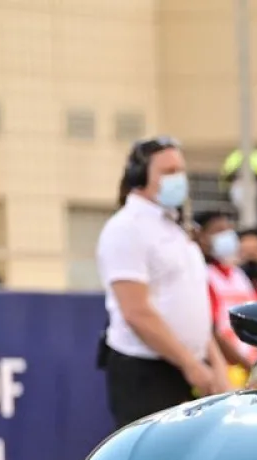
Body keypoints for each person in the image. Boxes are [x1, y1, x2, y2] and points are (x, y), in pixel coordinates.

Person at [96, 135, 228, 428]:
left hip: (188, 368)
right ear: (139, 177)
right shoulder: (126, 229)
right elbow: (136, 312)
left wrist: (215, 363)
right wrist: (190, 364)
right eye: (168, 172)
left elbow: (191, 305)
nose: (178, 179)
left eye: (180, 171)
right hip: (146, 373)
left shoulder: (175, 229)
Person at [194, 210, 257, 386]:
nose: (227, 235)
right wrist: (247, 365)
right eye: (218, 230)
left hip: (250, 368)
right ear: (202, 237)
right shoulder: (203, 276)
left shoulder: (239, 276)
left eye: (229, 229)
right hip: (223, 371)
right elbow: (210, 331)